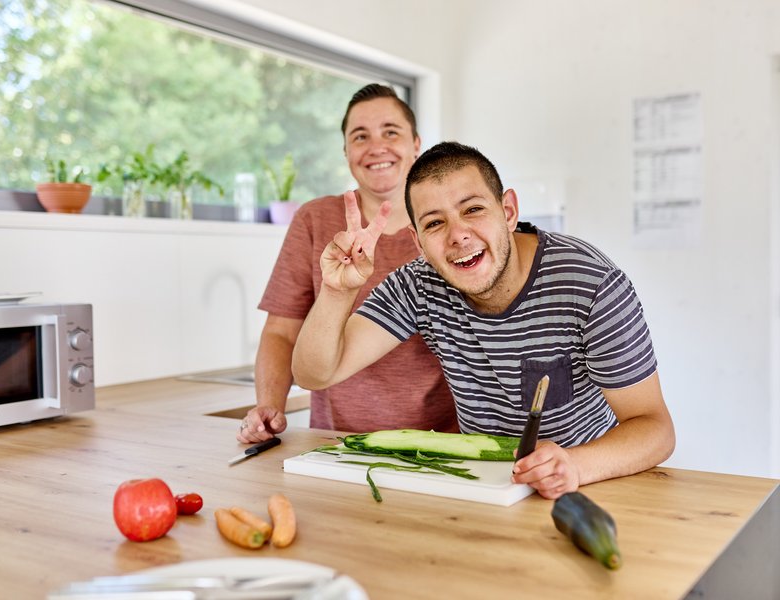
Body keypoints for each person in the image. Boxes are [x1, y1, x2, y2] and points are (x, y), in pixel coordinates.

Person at [291, 141, 675, 500]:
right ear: (418, 241)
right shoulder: (418, 284)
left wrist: (573, 465)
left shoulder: (590, 284)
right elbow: (315, 374)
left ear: (508, 211)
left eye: (473, 209)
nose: (458, 235)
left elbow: (655, 428)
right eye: (435, 223)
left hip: (588, 485)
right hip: (484, 490)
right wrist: (337, 291)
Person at [238, 85, 458, 443]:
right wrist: (268, 406)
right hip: (335, 444)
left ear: (417, 144)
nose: (377, 146)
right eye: (360, 136)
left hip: (442, 443)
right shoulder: (314, 220)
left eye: (391, 132)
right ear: (346, 152)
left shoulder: (451, 227)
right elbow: (281, 331)